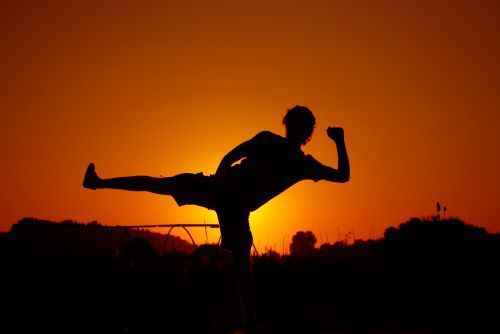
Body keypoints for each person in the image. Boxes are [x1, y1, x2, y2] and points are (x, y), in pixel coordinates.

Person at [82, 105, 350, 333]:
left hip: (229, 200)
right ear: (308, 132)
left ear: (291, 127)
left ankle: (250, 322)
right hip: (225, 195)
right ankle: (251, 322)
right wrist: (338, 141)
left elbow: (229, 157)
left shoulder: (291, 155)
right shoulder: (290, 155)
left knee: (163, 187)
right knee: (239, 255)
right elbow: (342, 175)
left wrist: (220, 179)